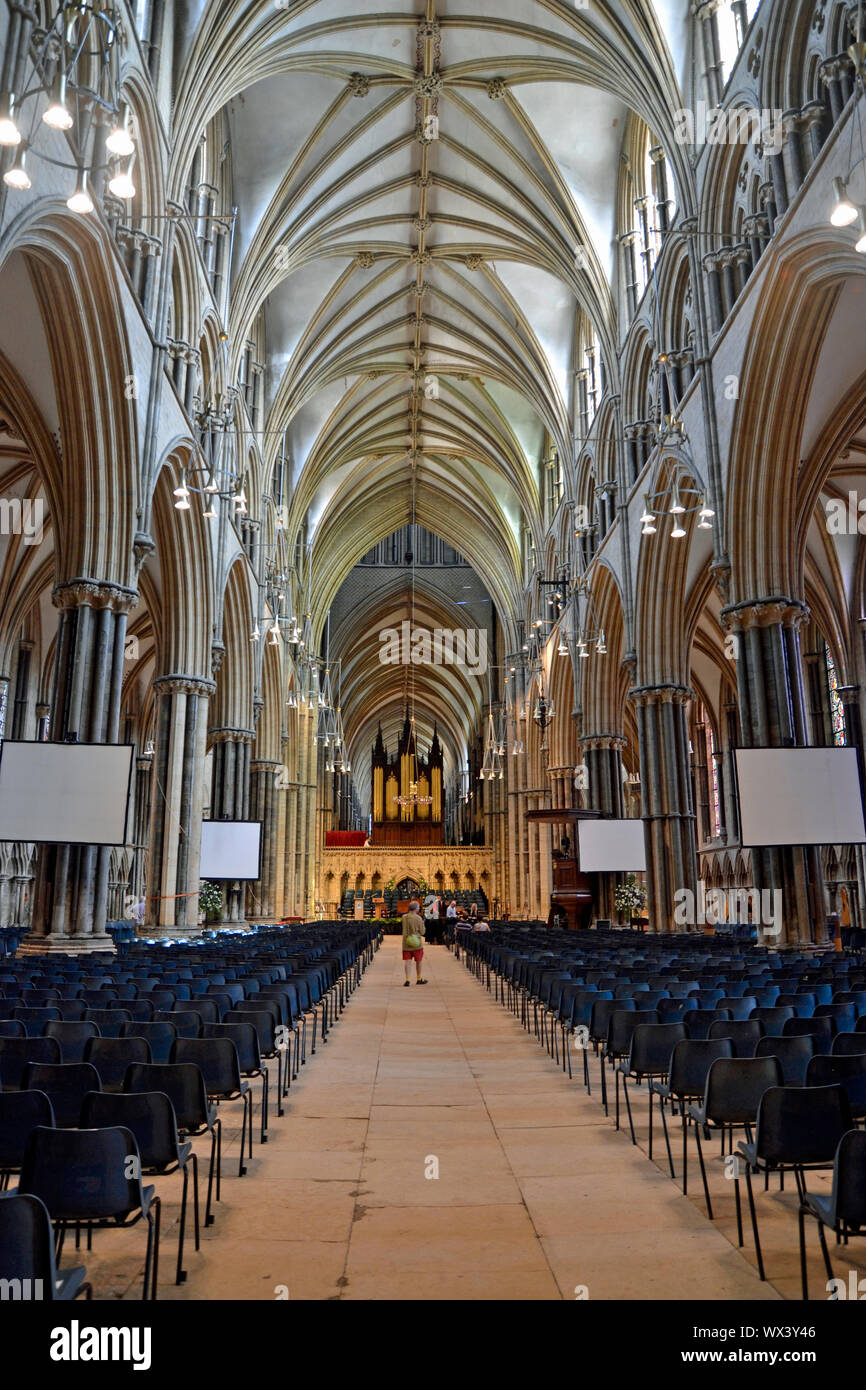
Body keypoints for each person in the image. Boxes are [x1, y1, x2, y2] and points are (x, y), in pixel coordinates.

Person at [402, 898, 427, 986]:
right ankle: (419, 979)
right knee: (418, 961)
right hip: (417, 943)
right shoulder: (418, 918)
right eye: (418, 907)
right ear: (416, 908)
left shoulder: (404, 917)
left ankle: (407, 979)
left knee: (407, 961)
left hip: (406, 942)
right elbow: (423, 932)